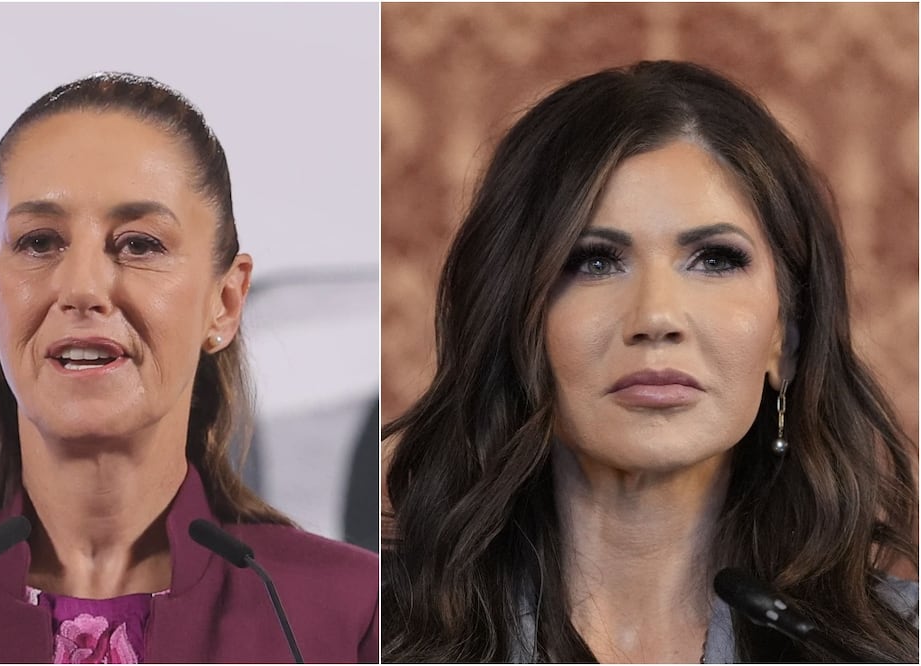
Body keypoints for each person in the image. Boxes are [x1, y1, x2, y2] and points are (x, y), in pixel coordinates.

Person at [381, 61, 918, 663]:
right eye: (594, 261)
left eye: (715, 259)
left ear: (785, 339)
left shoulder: (895, 646)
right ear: (515, 323)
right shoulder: (375, 630)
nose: (656, 316)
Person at [0, 73, 379, 663]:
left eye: (139, 245)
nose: (82, 288)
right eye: (40, 242)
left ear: (224, 302)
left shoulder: (346, 611)